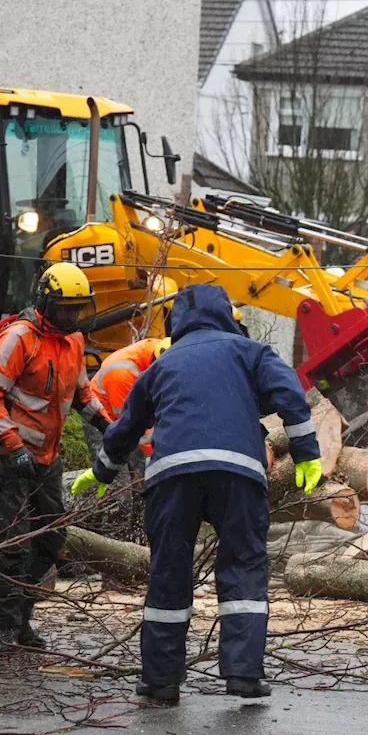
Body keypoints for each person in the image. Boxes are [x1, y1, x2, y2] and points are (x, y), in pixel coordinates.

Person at [72, 283, 321, 704]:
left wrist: (102, 471)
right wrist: (307, 454)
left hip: (172, 475)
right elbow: (290, 396)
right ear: (228, 315)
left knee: (168, 572)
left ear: (175, 323)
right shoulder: (250, 353)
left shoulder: (163, 363)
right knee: (242, 567)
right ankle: (243, 674)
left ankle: (161, 680)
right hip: (238, 473)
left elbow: (126, 425)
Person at [0, 262, 111, 651]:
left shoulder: (74, 342)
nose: (71, 315)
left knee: (52, 538)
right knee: (12, 541)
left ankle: (21, 618)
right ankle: (2, 628)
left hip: (47, 455)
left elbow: (83, 395)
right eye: (65, 308)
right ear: (45, 303)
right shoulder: (20, 338)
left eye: (77, 308)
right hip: (8, 453)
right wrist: (13, 445)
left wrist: (108, 426)